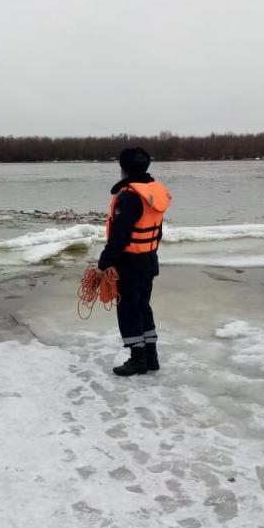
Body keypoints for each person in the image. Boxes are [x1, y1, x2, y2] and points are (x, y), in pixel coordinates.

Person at [98, 147, 171, 376]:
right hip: (148, 260)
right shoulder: (153, 192)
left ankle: (137, 360)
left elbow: (120, 237)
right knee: (142, 307)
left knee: (129, 309)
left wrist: (104, 263)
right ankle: (151, 357)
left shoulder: (129, 196)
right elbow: (156, 232)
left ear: (124, 169)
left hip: (129, 263)